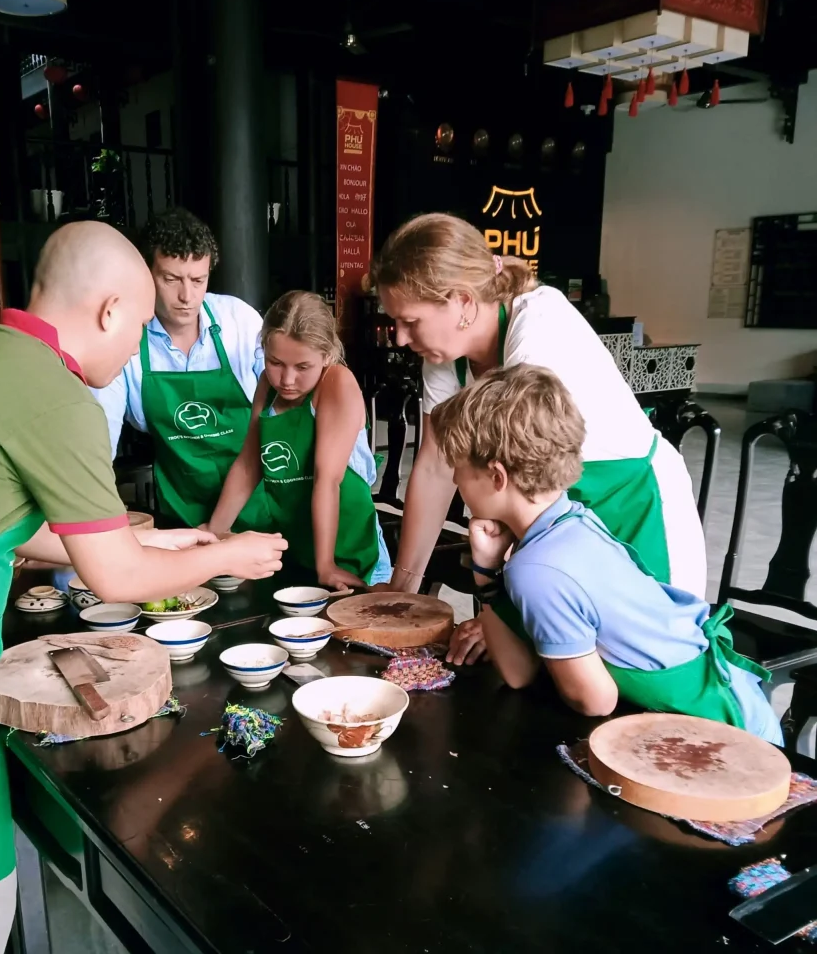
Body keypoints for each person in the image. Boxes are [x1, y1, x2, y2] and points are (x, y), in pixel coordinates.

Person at [0, 221, 287, 954]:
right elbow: (111, 577)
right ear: (112, 310)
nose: (133, 352)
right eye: (142, 323)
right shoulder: (55, 394)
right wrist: (228, 555)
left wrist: (152, 538)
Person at [372, 213, 706, 665]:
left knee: (644, 663)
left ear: (462, 302)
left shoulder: (540, 330)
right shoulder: (445, 352)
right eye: (395, 322)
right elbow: (434, 466)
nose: (400, 337)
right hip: (549, 519)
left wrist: (507, 614)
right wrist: (403, 587)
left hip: (631, 504)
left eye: (410, 321)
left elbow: (524, 485)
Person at [430, 364, 781, 744]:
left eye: (458, 468)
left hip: (725, 731)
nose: (454, 480)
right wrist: (486, 572)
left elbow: (594, 700)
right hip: (729, 703)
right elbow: (519, 673)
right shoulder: (570, 519)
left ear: (497, 476)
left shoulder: (538, 569)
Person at [94, 207, 270, 530]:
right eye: (171, 279)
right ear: (146, 274)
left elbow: (290, 411)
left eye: (198, 280)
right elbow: (97, 443)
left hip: (262, 511)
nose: (187, 296)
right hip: (179, 521)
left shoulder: (240, 324)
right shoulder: (127, 341)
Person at [209, 291, 391, 589]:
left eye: (302, 367)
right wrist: (214, 533)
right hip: (300, 548)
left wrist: (326, 566)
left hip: (353, 552)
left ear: (327, 355)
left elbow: (327, 479)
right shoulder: (267, 385)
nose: (287, 379)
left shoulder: (336, 382)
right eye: (275, 362)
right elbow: (248, 464)